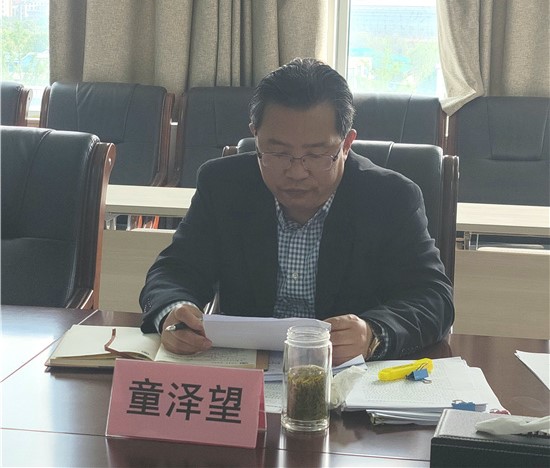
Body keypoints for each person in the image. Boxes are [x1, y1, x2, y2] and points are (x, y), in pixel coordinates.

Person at [140, 57, 454, 365]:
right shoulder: (223, 186)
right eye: (278, 153)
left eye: (316, 155)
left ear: (346, 144)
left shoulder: (390, 198)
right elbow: (174, 270)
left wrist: (373, 333)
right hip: (248, 372)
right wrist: (173, 311)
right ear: (255, 135)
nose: (297, 172)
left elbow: (433, 298)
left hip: (348, 375)